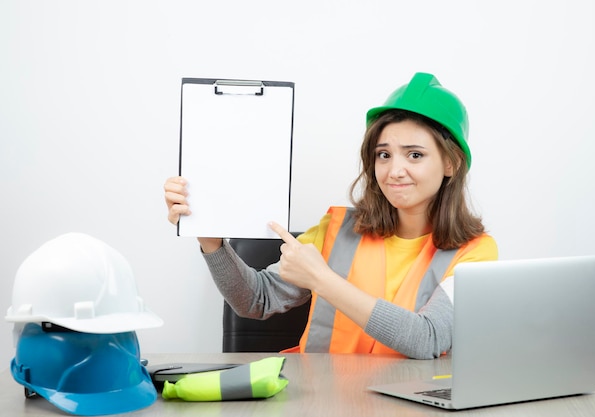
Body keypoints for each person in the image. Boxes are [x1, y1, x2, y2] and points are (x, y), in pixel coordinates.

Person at [164, 72, 498, 359]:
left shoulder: (476, 253)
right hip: (323, 397)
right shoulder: (337, 230)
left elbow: (428, 338)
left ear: (451, 164)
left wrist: (322, 279)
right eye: (384, 154)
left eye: (415, 155)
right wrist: (209, 237)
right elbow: (255, 300)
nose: (395, 170)